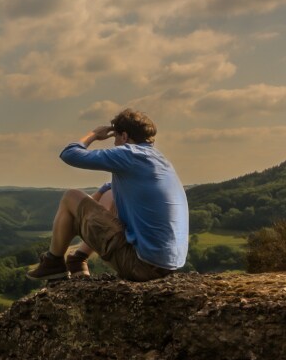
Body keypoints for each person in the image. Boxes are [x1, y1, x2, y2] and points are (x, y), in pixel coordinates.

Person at [29, 108, 188, 281]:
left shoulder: (129, 153)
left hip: (140, 266)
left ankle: (53, 263)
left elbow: (70, 154)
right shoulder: (159, 160)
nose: (115, 145)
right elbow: (112, 187)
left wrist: (94, 134)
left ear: (125, 137)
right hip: (165, 267)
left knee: (70, 197)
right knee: (110, 194)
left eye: (116, 139)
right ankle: (78, 258)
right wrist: (92, 204)